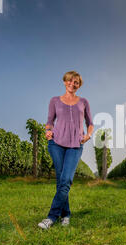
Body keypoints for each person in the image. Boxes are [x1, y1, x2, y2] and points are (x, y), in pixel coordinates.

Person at [38, 71, 94, 230]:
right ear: (64, 82)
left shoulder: (84, 102)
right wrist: (48, 131)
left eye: (76, 82)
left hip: (75, 145)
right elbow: (49, 121)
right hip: (56, 143)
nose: (72, 84)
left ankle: (51, 217)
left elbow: (90, 123)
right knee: (61, 180)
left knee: (66, 180)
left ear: (79, 85)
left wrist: (88, 135)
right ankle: (66, 214)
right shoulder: (54, 100)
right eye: (70, 81)